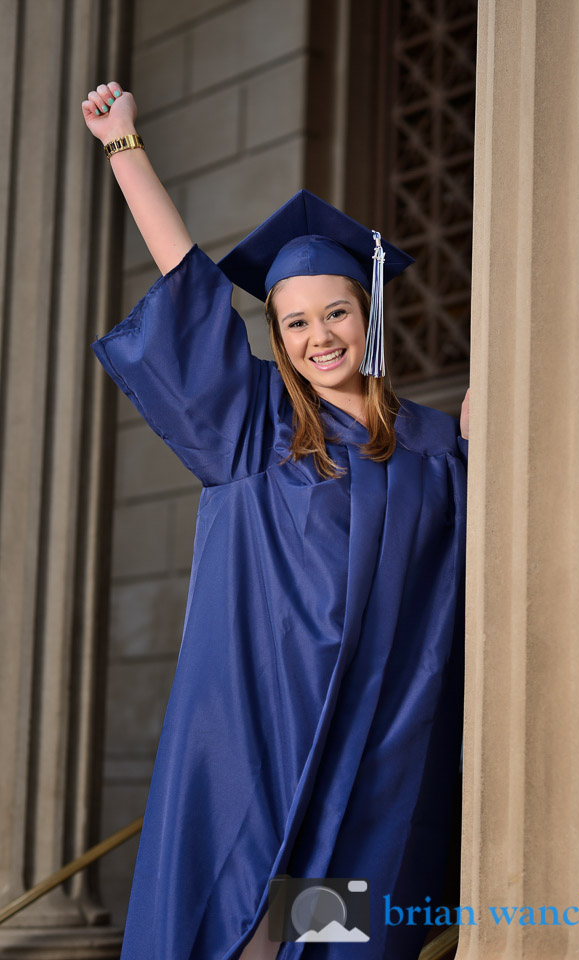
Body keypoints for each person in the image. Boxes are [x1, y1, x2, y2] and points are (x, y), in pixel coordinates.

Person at [82, 82, 470, 960]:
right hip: (262, 738)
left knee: (338, 935)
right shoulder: (252, 425)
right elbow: (188, 289)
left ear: (366, 315)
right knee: (243, 931)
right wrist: (123, 146)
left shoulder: (439, 446)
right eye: (293, 322)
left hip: (375, 748)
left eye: (335, 312)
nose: (316, 337)